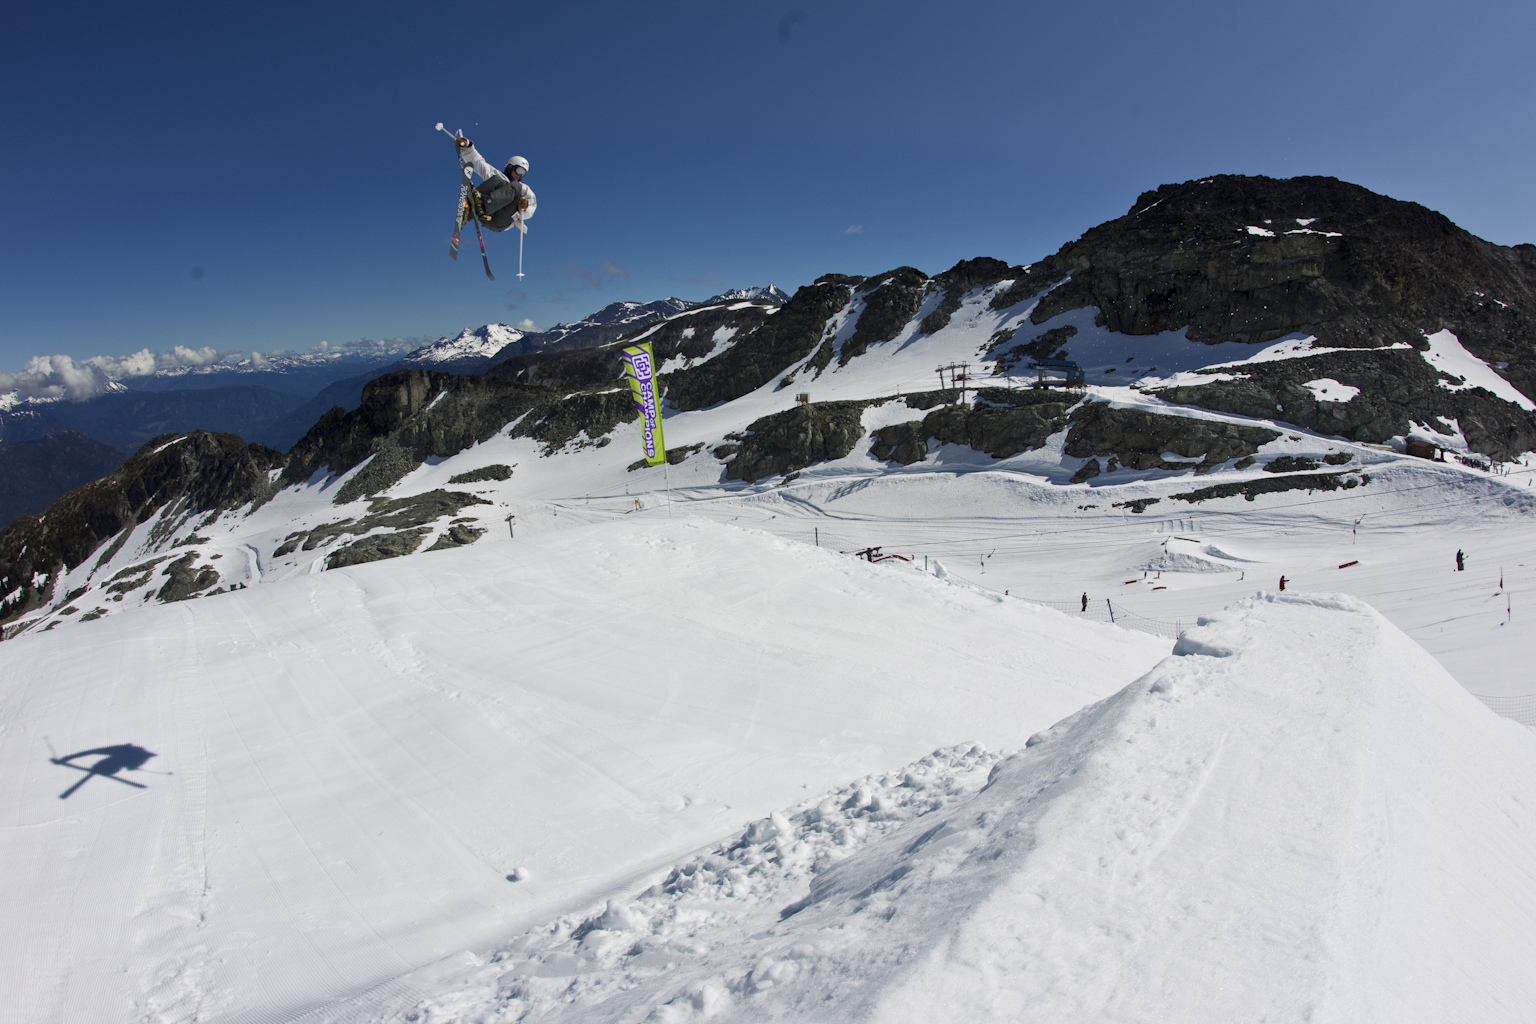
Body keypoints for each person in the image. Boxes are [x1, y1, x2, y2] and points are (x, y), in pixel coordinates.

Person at [455, 138, 537, 232]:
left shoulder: (523, 188)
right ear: (510, 167)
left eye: (523, 173)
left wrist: (524, 207)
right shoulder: (496, 175)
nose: (519, 175)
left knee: (516, 186)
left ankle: (481, 205)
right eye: (519, 170)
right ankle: (469, 211)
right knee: (498, 180)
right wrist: (467, 147)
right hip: (485, 216)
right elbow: (478, 162)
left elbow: (532, 205)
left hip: (501, 220)